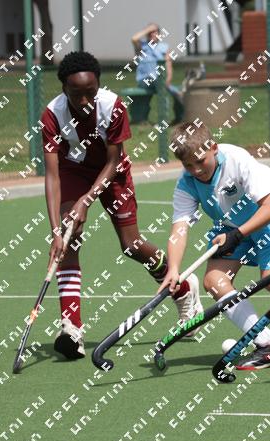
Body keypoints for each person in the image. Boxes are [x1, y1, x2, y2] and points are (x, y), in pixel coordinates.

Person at [40, 51, 202, 360]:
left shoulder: (112, 106)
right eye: (76, 94)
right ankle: (71, 328)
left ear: (98, 85)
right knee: (69, 238)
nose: (84, 101)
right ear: (63, 89)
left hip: (112, 174)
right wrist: (55, 231)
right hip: (73, 172)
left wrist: (87, 199)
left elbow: (114, 161)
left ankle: (183, 288)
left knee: (131, 245)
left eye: (90, 92)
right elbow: (52, 175)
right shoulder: (52, 115)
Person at [158, 121, 270, 370]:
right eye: (188, 165)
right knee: (214, 281)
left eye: (200, 161)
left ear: (213, 148)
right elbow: (179, 229)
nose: (196, 170)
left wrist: (236, 235)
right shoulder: (186, 183)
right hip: (231, 223)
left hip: (269, 213)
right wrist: (173, 269)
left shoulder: (237, 160)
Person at [131, 23, 185, 124]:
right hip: (144, 80)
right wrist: (149, 29)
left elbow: (168, 64)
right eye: (149, 32)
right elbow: (134, 38)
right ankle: (163, 120)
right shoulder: (142, 46)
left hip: (160, 81)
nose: (152, 34)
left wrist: (168, 79)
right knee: (164, 85)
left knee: (164, 86)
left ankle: (176, 118)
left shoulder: (164, 47)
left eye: (154, 32)